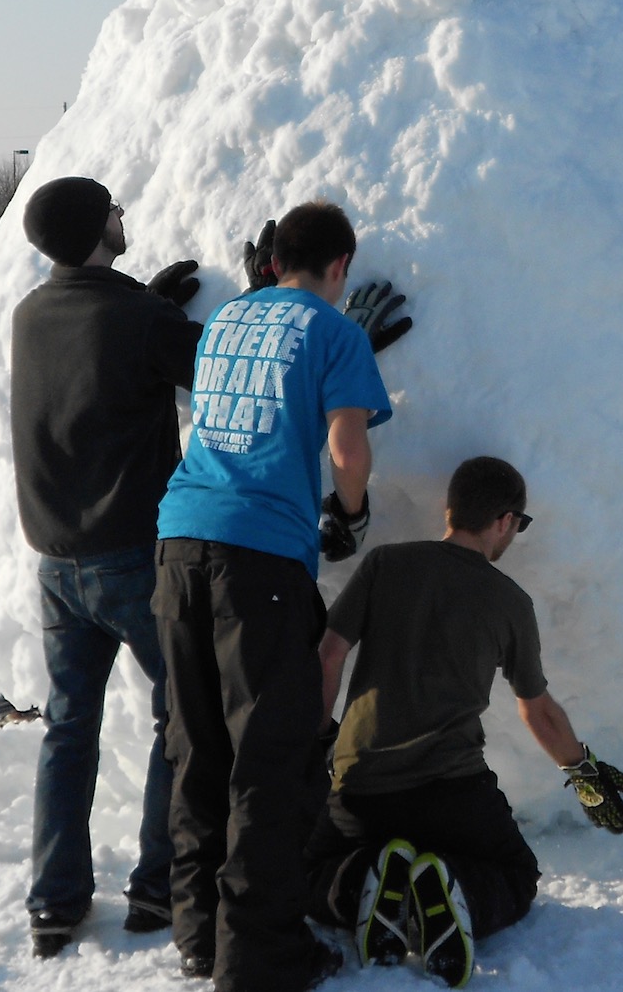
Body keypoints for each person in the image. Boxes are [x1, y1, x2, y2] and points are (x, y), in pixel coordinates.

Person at [153, 200, 396, 992]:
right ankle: (259, 956)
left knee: (197, 747)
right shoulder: (336, 332)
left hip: (179, 540)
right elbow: (347, 449)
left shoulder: (226, 319)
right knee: (271, 759)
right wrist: (348, 515)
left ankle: (199, 935)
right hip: (258, 561)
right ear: (339, 267)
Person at [305, 456, 623, 989]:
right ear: (505, 520)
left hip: (362, 788)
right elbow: (537, 709)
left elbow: (328, 655)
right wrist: (583, 771)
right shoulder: (510, 601)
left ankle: (365, 880)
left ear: (450, 510)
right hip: (454, 792)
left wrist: (318, 740)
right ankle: (455, 890)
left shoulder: (384, 565)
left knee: (306, 870)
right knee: (515, 876)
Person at [11, 176, 204, 957]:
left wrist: (142, 303)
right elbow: (212, 364)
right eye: (115, 210)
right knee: (180, 717)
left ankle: (54, 901)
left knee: (67, 730)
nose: (125, 215)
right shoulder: (137, 318)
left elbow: (93, 358)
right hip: (135, 559)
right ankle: (159, 886)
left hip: (55, 563)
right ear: (98, 227)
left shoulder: (29, 314)